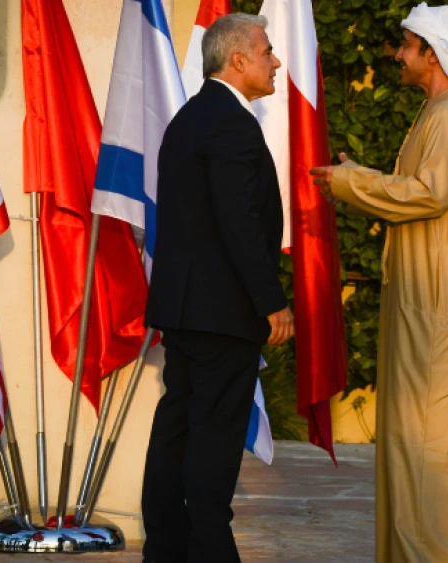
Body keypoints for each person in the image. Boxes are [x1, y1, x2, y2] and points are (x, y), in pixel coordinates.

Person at [311, 3, 448, 561]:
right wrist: (361, 181)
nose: (397, 55)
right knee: (416, 445)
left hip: (436, 306)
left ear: (434, 53)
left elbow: (429, 193)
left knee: (430, 449)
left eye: (405, 45)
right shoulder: (444, 110)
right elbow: (420, 188)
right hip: (428, 301)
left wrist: (355, 182)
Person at [141, 13, 291, 563]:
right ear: (238, 60)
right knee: (212, 442)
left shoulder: (190, 117)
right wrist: (271, 301)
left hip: (186, 312)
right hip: (221, 313)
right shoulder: (229, 122)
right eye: (268, 51)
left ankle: (165, 552)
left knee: (177, 430)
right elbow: (238, 223)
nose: (276, 61)